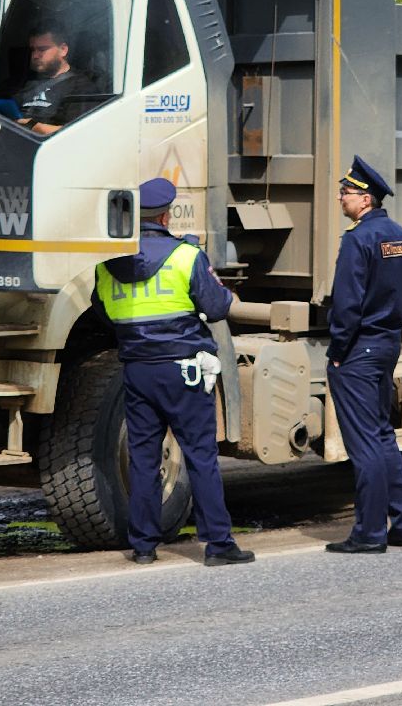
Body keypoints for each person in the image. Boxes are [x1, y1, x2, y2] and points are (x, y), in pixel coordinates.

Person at [91, 177, 255, 567]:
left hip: (138, 370)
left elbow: (103, 313)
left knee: (143, 459)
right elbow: (216, 307)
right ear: (166, 216)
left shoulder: (106, 265)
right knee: (200, 455)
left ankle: (144, 546)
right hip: (183, 371)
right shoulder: (186, 256)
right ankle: (218, 545)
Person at [324, 155, 402, 553]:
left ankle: (369, 533)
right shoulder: (400, 236)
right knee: (381, 435)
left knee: (365, 443)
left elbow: (347, 303)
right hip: (386, 343)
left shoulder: (358, 239)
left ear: (365, 199)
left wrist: (337, 350)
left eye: (345, 192)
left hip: (358, 349)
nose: (340, 198)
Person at [15, 22, 98, 135]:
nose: (35, 56)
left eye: (42, 49)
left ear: (63, 49)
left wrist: (34, 126)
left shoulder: (82, 87)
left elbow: (80, 133)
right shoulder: (28, 83)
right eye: (33, 50)